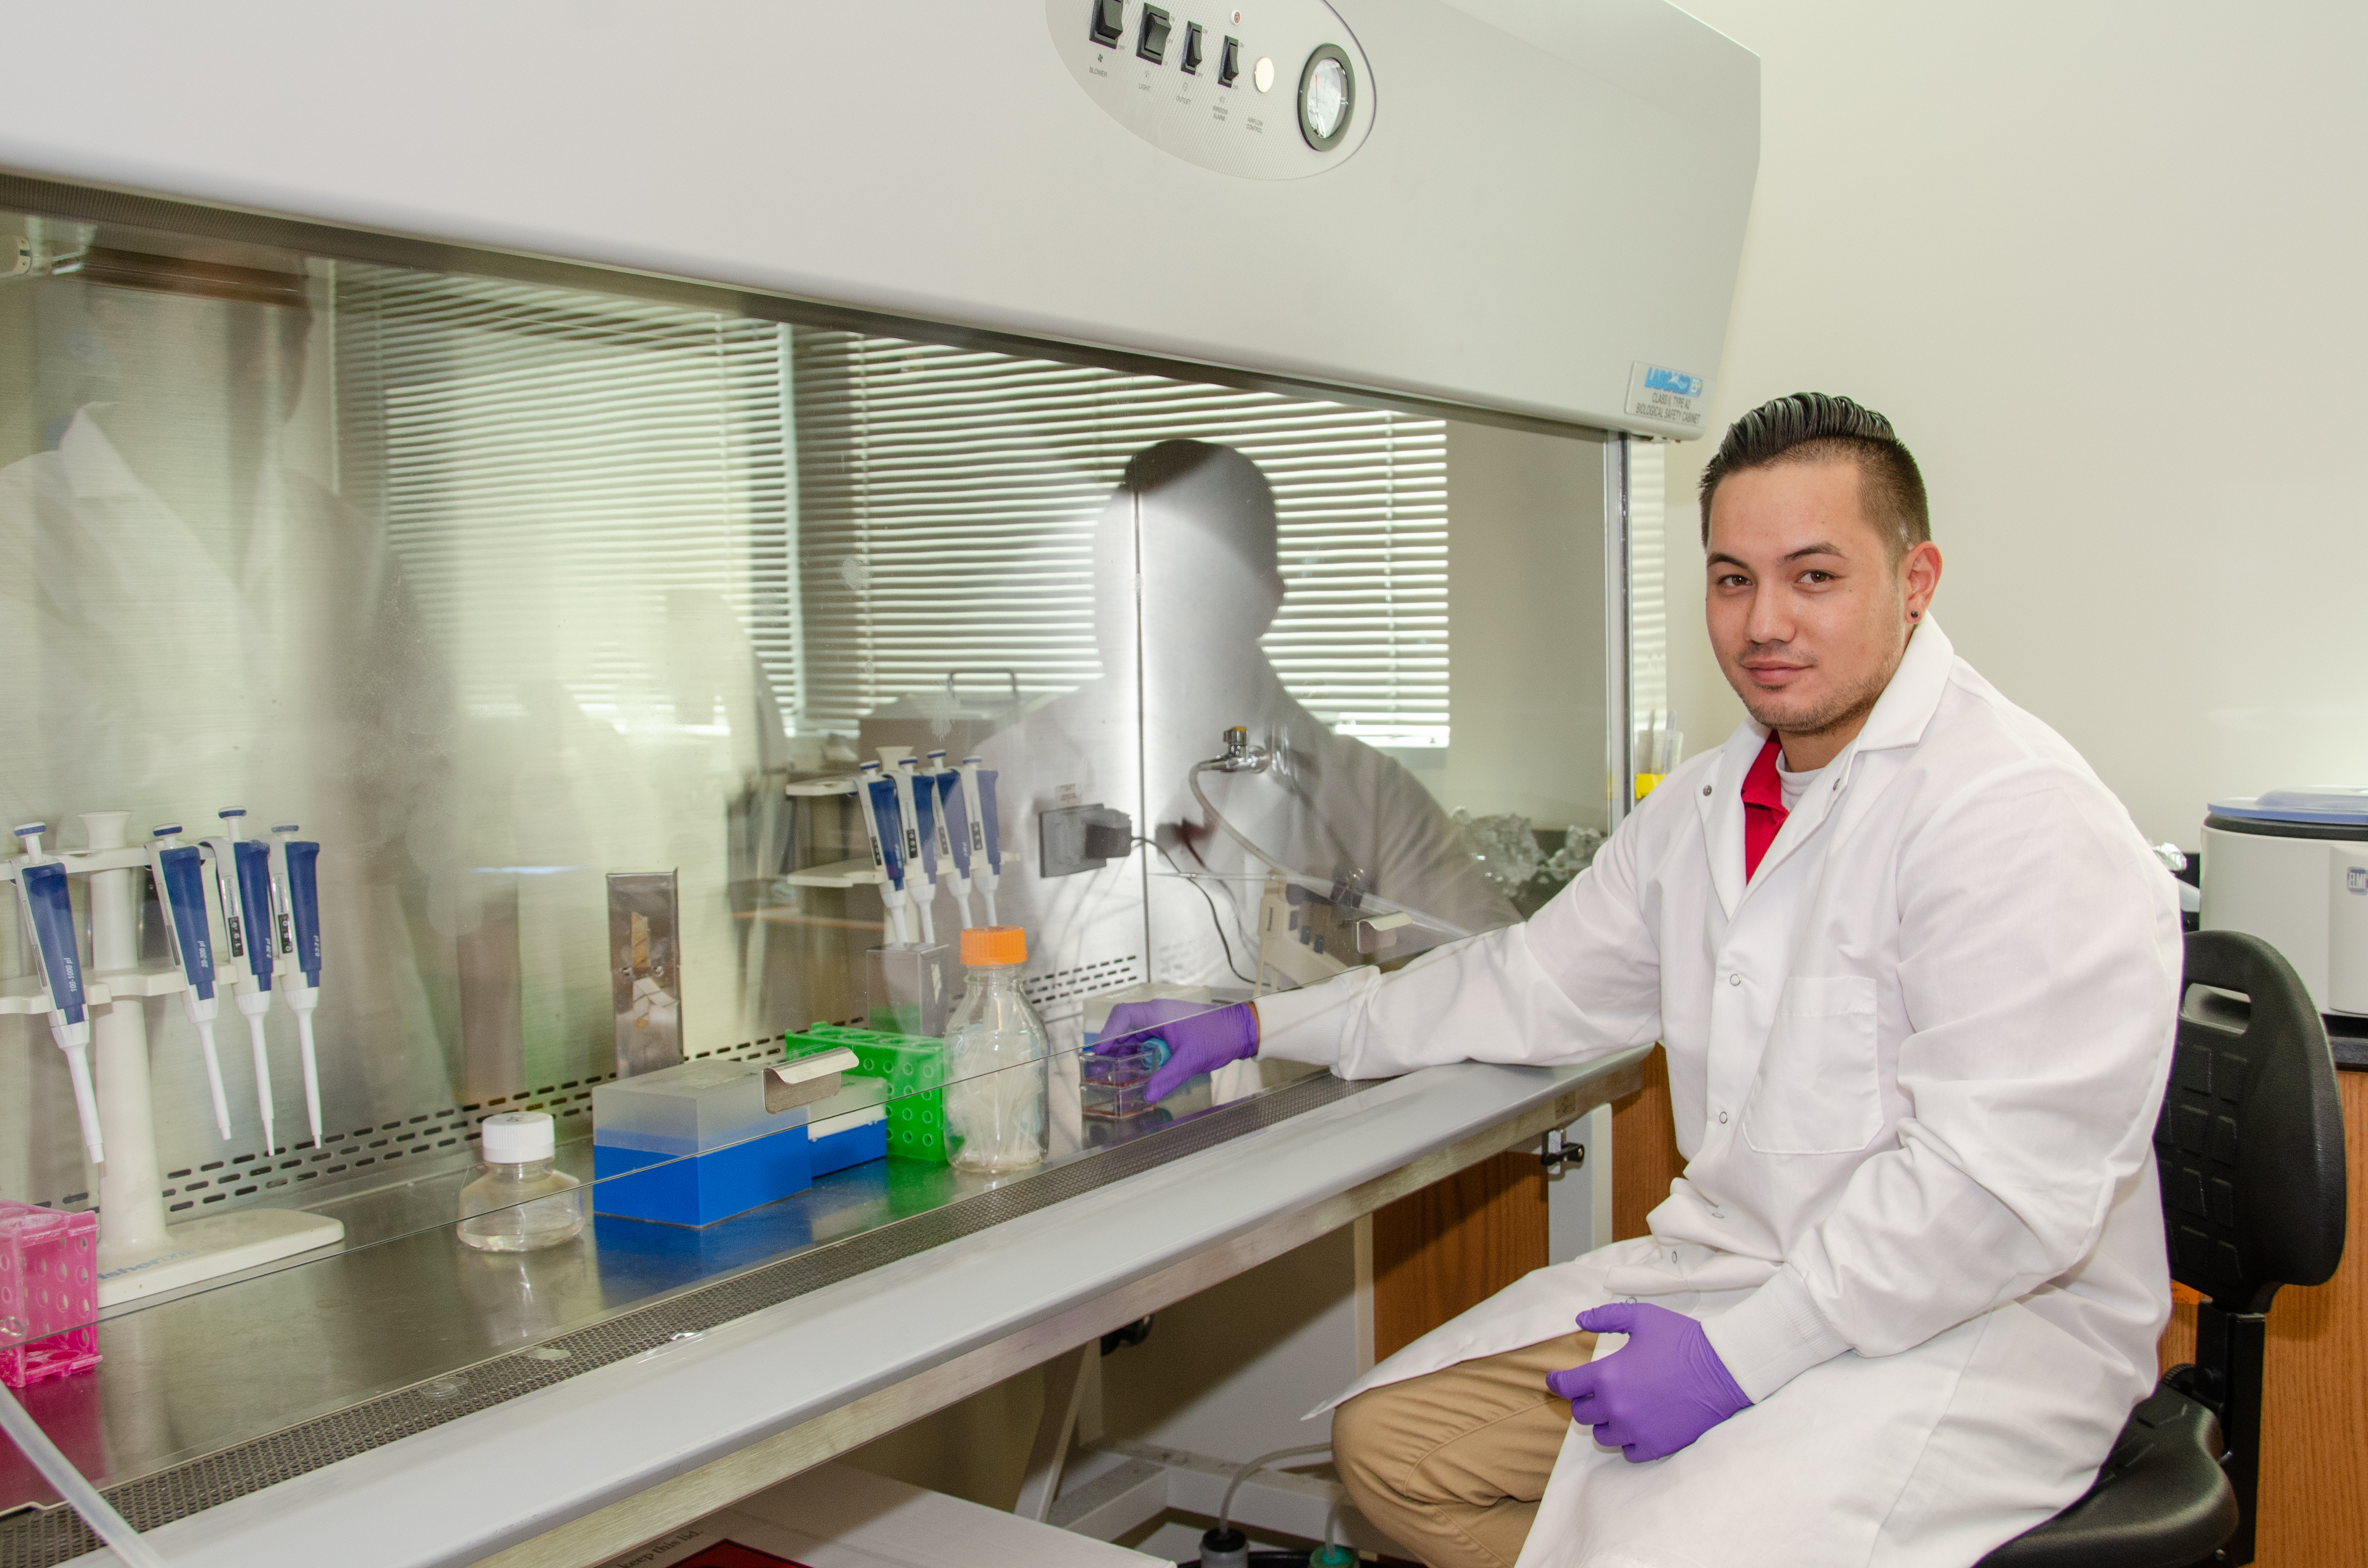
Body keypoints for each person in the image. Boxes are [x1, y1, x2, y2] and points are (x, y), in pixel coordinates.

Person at [1099, 395, 2181, 1567]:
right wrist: (1266, 1022)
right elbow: (1527, 982)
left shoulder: (2016, 816)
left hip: (1977, 1328)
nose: (1765, 622)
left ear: (1915, 579)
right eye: (1732, 579)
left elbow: (1993, 1200)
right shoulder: (1720, 799)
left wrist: (1737, 1362)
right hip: (1743, 1277)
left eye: (1813, 576)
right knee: (1390, 1454)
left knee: (1645, 1542)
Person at [982, 439, 1513, 1010]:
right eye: (1117, 585)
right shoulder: (1005, 774)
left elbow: (1488, 982)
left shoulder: (1369, 799)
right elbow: (935, 1017)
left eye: (1182, 586)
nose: (1139, 620)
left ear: (1263, 601)